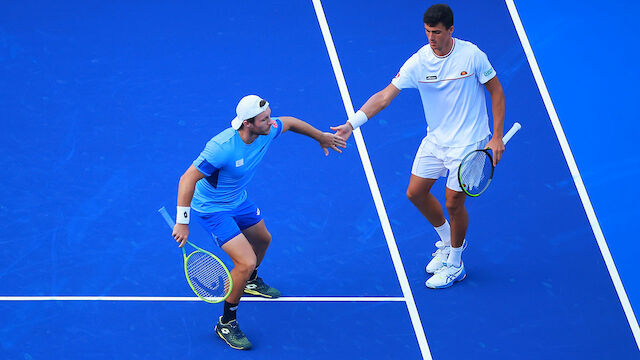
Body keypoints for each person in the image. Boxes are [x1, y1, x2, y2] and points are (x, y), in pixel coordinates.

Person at [331, 4, 505, 289]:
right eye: (427, 32)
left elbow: (496, 90)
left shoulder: (472, 55)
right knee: (415, 192)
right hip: (436, 140)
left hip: (468, 143)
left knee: (453, 201)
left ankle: (456, 263)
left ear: (451, 30)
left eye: (436, 32)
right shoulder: (418, 62)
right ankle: (448, 240)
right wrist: (352, 124)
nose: (431, 38)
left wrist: (496, 137)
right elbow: (385, 96)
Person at [172, 94, 346, 350]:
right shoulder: (222, 148)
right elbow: (187, 179)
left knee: (263, 239)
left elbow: (290, 122)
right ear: (247, 124)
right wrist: (183, 222)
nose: (271, 122)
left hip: (238, 200)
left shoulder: (268, 129)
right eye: (264, 119)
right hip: (212, 209)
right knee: (245, 260)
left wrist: (320, 136)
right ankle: (226, 322)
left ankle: (249, 281)